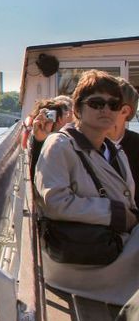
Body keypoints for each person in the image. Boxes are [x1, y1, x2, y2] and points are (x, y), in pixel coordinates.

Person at [34, 70, 139, 305]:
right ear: (78, 110)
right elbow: (55, 203)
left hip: (113, 245)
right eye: (97, 103)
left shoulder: (113, 150)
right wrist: (117, 214)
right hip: (82, 259)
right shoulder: (60, 145)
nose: (106, 110)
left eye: (113, 104)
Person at [109, 78, 139, 206]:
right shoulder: (81, 145)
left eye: (110, 104)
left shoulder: (136, 144)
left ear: (125, 111)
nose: (99, 109)